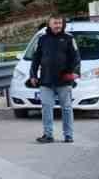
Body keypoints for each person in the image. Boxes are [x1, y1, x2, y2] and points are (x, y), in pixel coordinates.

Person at [28, 15, 81, 144]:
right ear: (49, 24)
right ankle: (48, 135)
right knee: (46, 107)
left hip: (64, 80)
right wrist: (33, 75)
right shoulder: (42, 39)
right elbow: (36, 59)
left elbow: (76, 58)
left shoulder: (69, 39)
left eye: (60, 23)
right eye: (55, 23)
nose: (58, 25)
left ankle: (68, 135)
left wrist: (72, 72)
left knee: (67, 108)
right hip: (46, 80)